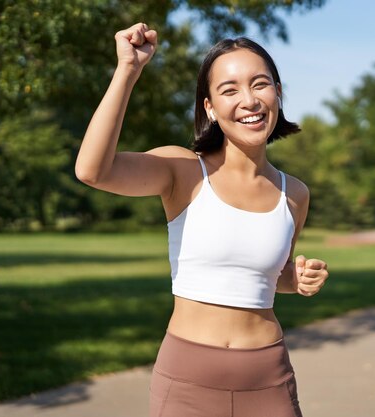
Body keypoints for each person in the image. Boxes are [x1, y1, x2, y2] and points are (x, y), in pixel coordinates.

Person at [74, 22, 330, 417]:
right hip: (187, 381)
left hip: (268, 379)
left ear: (278, 93)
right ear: (209, 107)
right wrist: (128, 70)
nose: (249, 100)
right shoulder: (182, 170)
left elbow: (270, 279)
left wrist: (296, 280)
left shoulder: (294, 193)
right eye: (229, 90)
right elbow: (93, 170)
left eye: (260, 84)